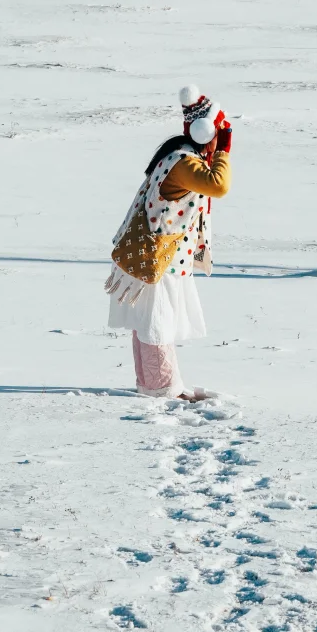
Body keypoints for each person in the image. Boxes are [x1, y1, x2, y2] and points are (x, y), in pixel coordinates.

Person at [105, 86, 233, 401]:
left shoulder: (181, 155)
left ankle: (154, 386)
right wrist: (224, 153)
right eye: (219, 132)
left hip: (158, 252)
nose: (220, 139)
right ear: (205, 132)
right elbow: (219, 185)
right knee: (156, 320)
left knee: (150, 319)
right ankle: (163, 390)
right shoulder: (184, 163)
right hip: (158, 255)